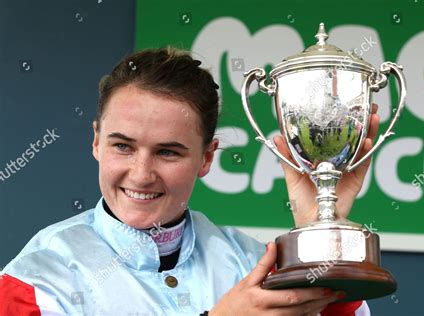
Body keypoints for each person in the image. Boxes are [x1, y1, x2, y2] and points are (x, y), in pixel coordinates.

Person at [0, 47, 379, 315]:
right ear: (96, 141)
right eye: (123, 146)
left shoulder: (257, 267)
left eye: (168, 152)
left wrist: (318, 227)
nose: (141, 174)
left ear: (207, 157)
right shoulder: (35, 282)